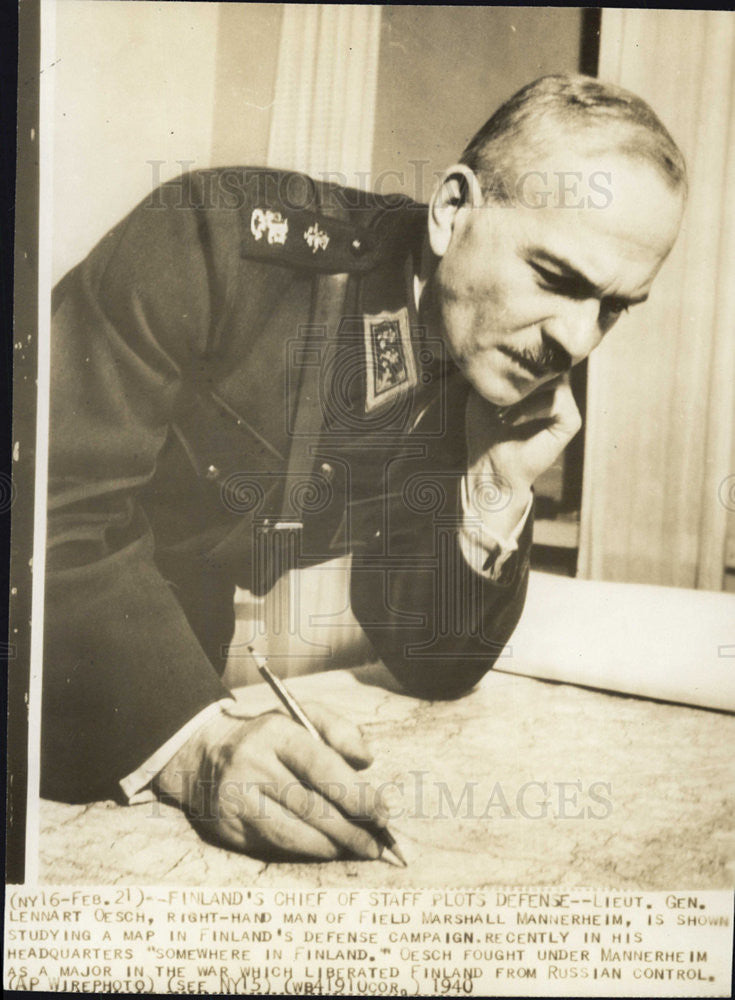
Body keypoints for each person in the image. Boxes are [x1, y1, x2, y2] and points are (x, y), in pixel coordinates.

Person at [43, 75, 686, 861]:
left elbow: (428, 660)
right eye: (556, 279)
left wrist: (495, 485)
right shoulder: (214, 240)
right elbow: (49, 513)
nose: (580, 341)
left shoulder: (480, 356)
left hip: (170, 688)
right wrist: (195, 739)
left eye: (615, 307)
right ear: (453, 211)